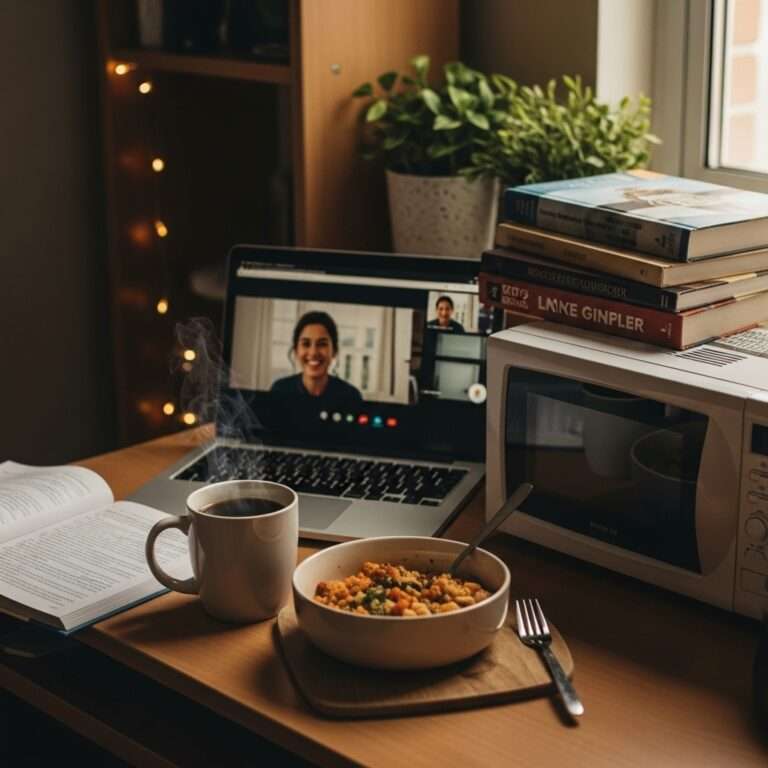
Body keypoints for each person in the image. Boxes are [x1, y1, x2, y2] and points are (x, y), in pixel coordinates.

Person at [270, 311, 363, 412]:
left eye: (322, 344)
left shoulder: (351, 396)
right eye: (306, 344)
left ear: (334, 351)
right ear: (296, 351)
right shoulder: (279, 391)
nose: (313, 352)